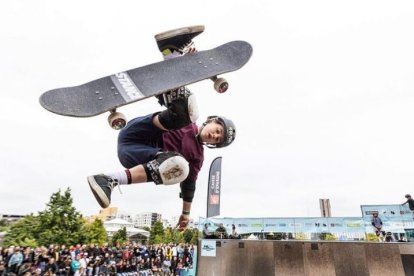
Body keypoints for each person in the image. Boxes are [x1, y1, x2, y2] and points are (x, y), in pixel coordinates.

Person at [87, 25, 236, 231]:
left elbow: (189, 186)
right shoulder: (192, 123)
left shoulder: (198, 156)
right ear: (211, 121)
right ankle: (171, 54)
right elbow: (176, 108)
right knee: (187, 113)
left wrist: (185, 214)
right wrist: (185, 66)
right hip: (138, 131)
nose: (214, 135)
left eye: (217, 140)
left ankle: (108, 180)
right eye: (217, 130)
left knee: (178, 167)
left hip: (134, 155)